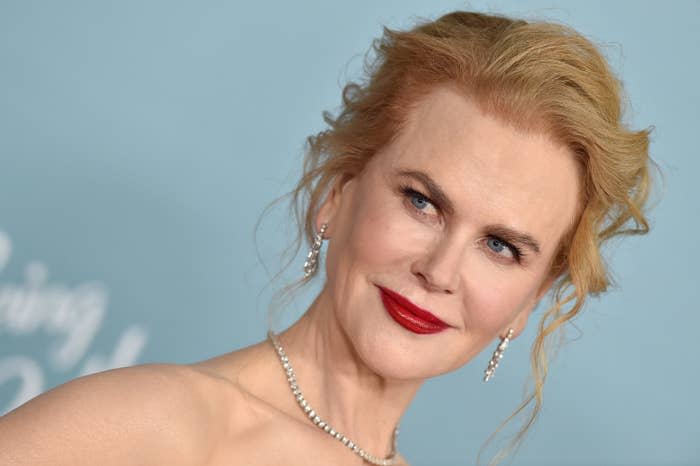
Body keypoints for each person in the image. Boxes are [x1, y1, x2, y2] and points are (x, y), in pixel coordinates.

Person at [0, 10, 655, 466]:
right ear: (337, 195)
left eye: (501, 246)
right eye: (423, 202)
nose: (440, 267)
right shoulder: (151, 425)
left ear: (532, 300)